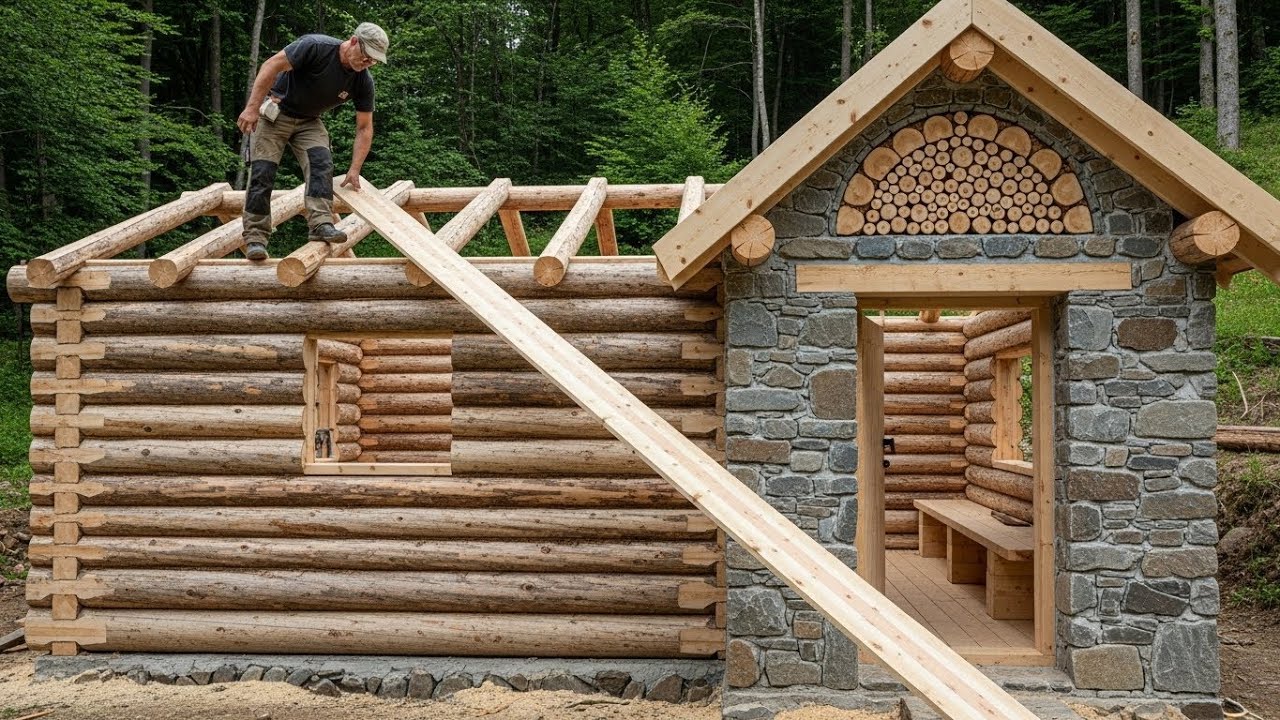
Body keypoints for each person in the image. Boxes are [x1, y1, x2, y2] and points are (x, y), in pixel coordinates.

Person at [235, 22, 389, 261]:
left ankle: (321, 225)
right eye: (366, 56)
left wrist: (355, 169)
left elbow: (365, 127)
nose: (367, 63)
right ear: (354, 41)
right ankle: (255, 237)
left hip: (309, 121)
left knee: (321, 163)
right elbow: (271, 65)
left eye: (374, 61)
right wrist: (252, 107)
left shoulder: (363, 81)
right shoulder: (315, 47)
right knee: (262, 172)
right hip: (276, 113)